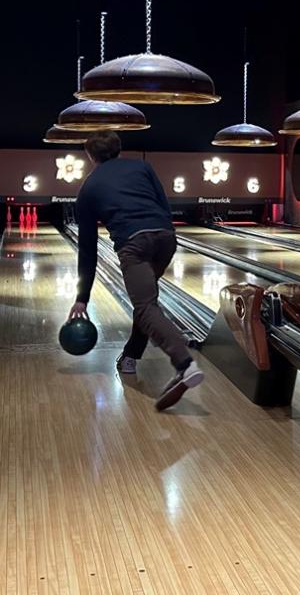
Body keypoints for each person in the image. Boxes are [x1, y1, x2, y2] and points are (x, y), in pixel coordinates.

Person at [68, 131, 203, 411]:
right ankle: (131, 355)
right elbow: (164, 206)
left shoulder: (88, 188)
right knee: (147, 303)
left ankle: (185, 364)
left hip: (134, 245)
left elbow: (88, 248)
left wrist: (82, 296)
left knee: (145, 307)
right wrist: (165, 232)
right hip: (166, 239)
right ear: (118, 149)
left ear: (89, 156)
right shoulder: (142, 167)